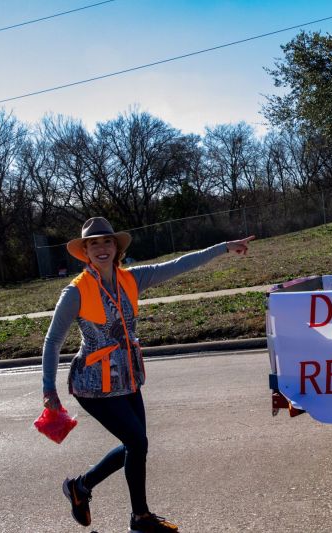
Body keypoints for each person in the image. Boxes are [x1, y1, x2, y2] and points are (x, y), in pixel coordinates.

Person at [41, 217, 254, 532]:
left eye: (107, 242)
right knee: (137, 442)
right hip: (93, 385)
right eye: (94, 244)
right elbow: (52, 340)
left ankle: (81, 487)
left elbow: (181, 264)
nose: (101, 248)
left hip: (127, 378)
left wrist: (223, 247)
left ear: (116, 248)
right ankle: (139, 517)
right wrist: (49, 389)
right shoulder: (75, 292)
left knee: (137, 444)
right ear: (85, 252)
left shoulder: (132, 278)